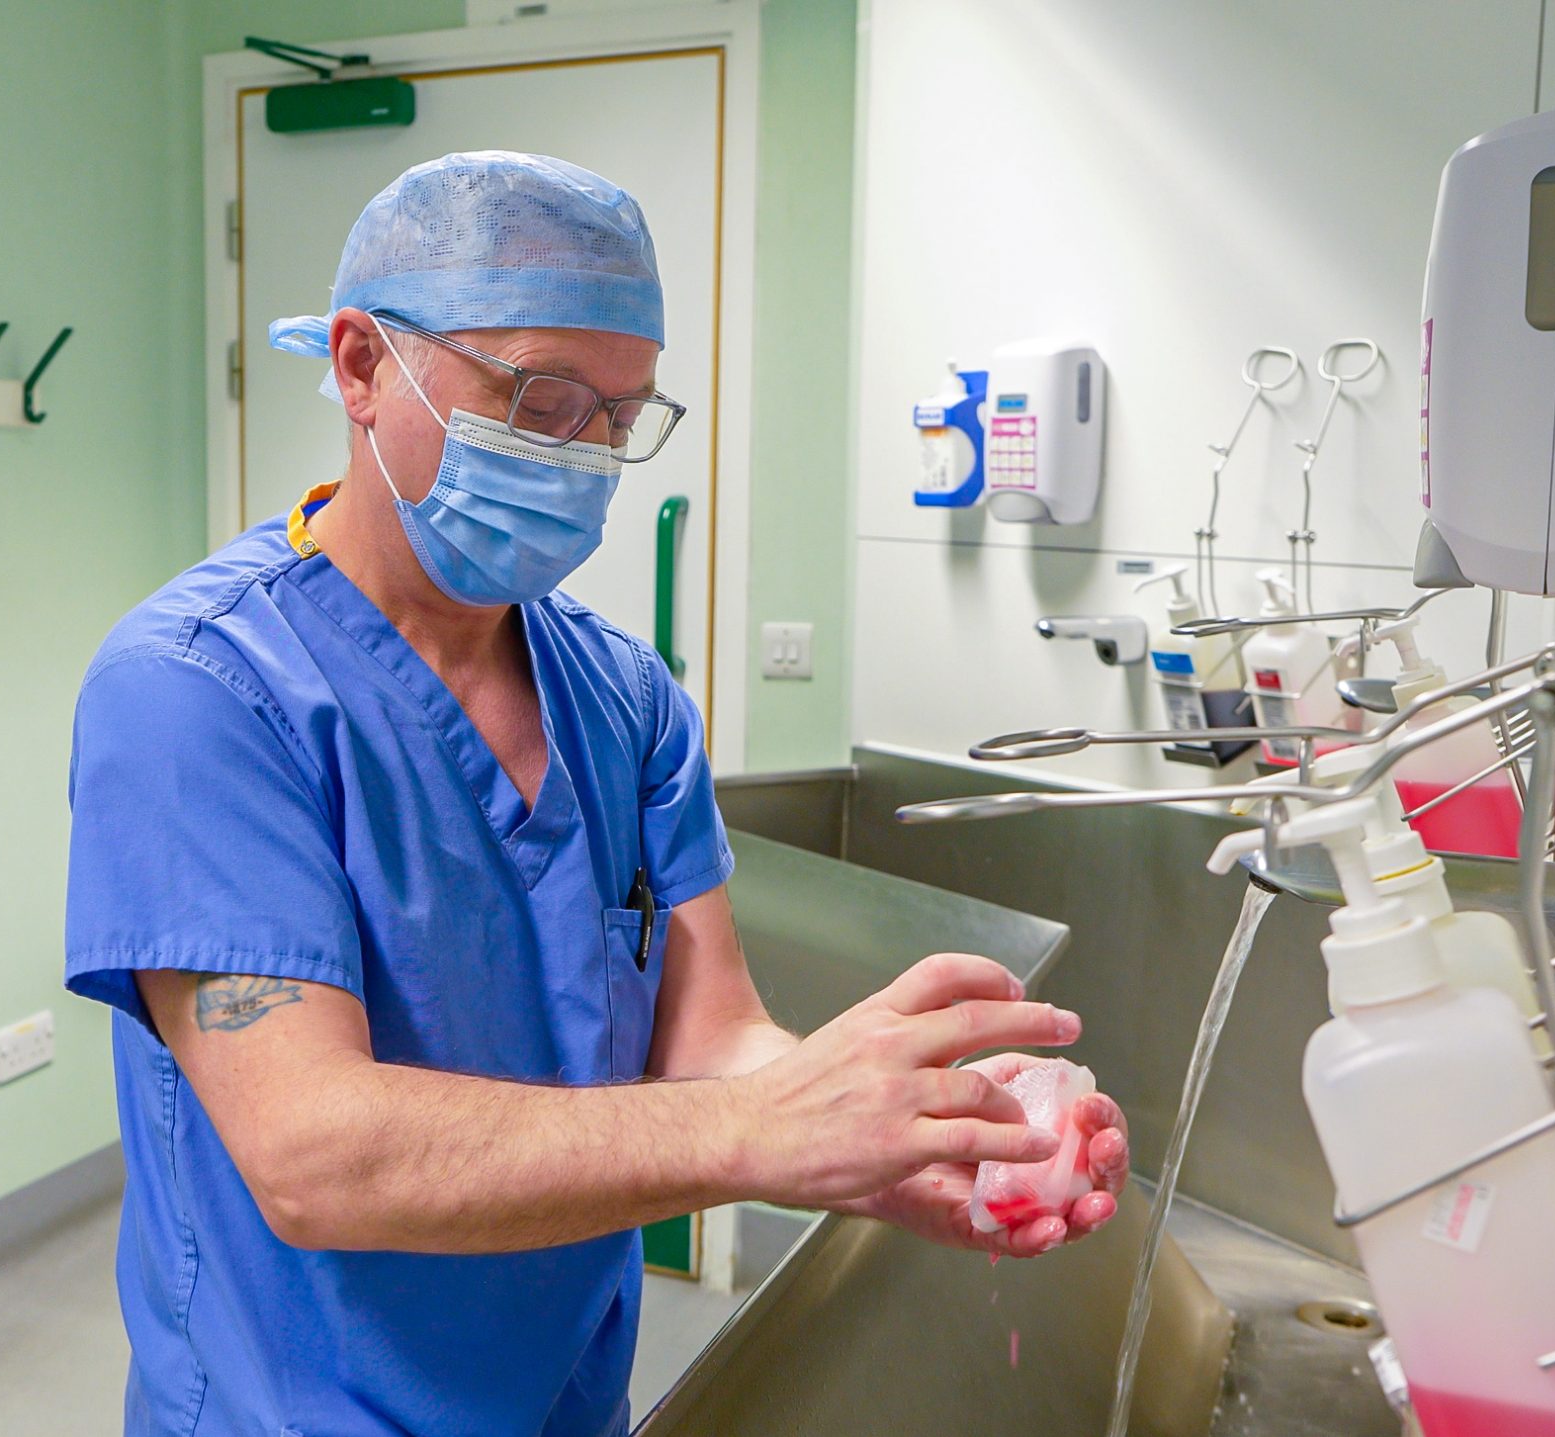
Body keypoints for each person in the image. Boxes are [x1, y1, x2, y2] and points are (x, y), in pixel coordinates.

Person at [65, 151, 1129, 1437]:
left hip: (564, 1396)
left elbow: (710, 1039)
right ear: (359, 365)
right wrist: (759, 1131)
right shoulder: (201, 694)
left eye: (621, 420)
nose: (583, 456)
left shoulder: (619, 697)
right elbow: (313, 1154)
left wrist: (901, 1149)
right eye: (542, 400)